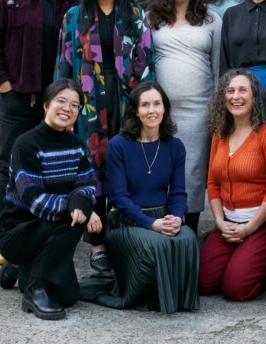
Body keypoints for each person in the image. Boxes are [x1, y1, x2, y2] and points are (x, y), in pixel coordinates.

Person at [0, 0, 82, 267]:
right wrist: (4, 84)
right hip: (20, 97)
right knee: (9, 164)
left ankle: (47, 231)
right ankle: (2, 233)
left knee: (57, 164)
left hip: (61, 101)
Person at [55, 0, 154, 273]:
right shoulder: (74, 16)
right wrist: (62, 106)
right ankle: (97, 244)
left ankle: (125, 239)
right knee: (91, 168)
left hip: (127, 100)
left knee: (127, 164)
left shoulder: (136, 15)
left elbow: (148, 61)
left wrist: (147, 106)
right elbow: (64, 63)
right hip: (88, 103)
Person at [79, 82, 200, 313]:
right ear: (135, 111)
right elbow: (119, 198)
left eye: (157, 104)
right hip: (125, 221)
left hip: (162, 216)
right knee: (156, 245)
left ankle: (173, 298)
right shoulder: (118, 145)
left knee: (188, 239)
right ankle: (149, 296)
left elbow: (177, 193)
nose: (152, 110)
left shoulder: (175, 146)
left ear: (164, 108)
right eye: (145, 105)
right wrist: (151, 224)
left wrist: (177, 217)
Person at [0, 78, 101, 321]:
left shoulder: (76, 144)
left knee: (68, 296)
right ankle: (35, 289)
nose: (67, 109)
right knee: (74, 219)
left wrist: (80, 202)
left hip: (48, 229)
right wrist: (79, 207)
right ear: (46, 105)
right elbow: (37, 202)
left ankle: (21, 266)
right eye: (61, 101)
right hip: (16, 232)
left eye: (74, 105)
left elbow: (88, 184)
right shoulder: (26, 145)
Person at [199, 69, 266, 301]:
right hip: (228, 223)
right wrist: (219, 221)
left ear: (254, 96)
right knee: (205, 283)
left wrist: (249, 228)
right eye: (230, 91)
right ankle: (244, 258)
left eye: (242, 90)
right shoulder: (219, 133)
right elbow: (213, 182)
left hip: (265, 223)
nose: (235, 96)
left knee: (236, 289)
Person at [147, 0, 221, 233]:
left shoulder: (211, 19)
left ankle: (189, 229)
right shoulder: (152, 18)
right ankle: (162, 225)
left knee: (192, 170)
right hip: (158, 112)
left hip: (199, 111)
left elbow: (218, 67)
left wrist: (217, 109)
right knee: (160, 168)